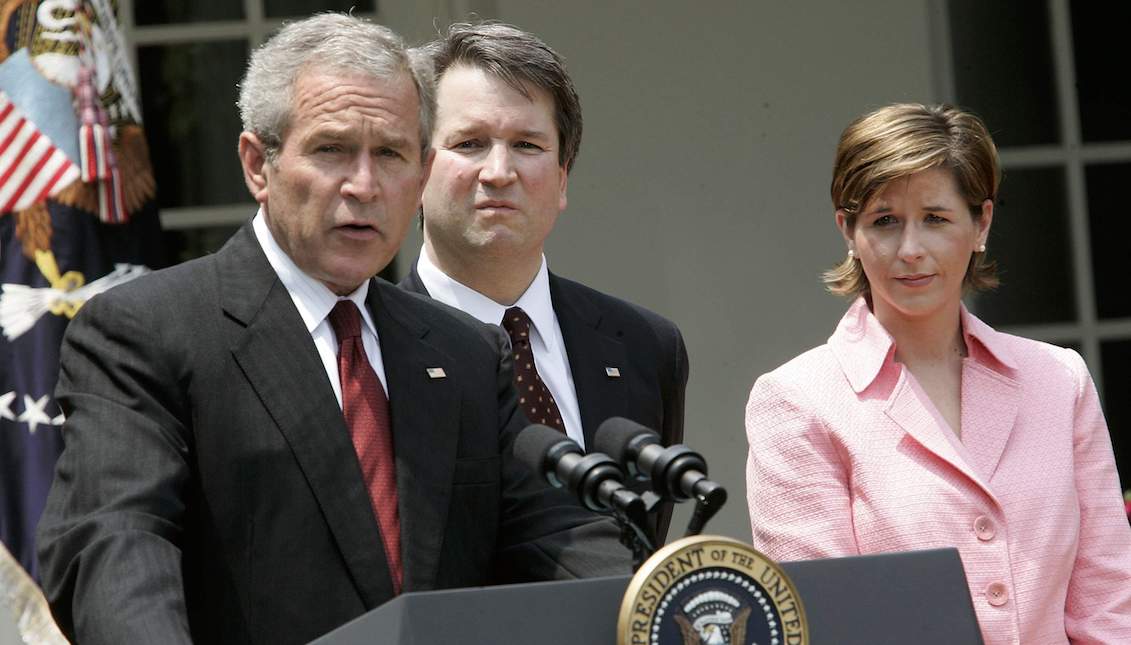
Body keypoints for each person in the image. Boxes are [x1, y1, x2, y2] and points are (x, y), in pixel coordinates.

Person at [35, 14, 628, 645]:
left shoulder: (464, 353)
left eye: (392, 154)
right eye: (331, 150)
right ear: (257, 164)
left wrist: (677, 609)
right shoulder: (146, 332)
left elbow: (561, 537)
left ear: (422, 174)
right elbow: (113, 546)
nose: (364, 186)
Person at [744, 103, 1131, 644]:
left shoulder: (1058, 379)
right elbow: (822, 623)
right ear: (848, 232)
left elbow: (1109, 605)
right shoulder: (797, 400)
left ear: (981, 224)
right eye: (884, 221)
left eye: (936, 218)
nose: (911, 249)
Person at [400, 22, 689, 539]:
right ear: (417, 170)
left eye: (527, 144)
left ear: (562, 178)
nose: (498, 172)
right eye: (469, 143)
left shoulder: (647, 347)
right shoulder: (372, 349)